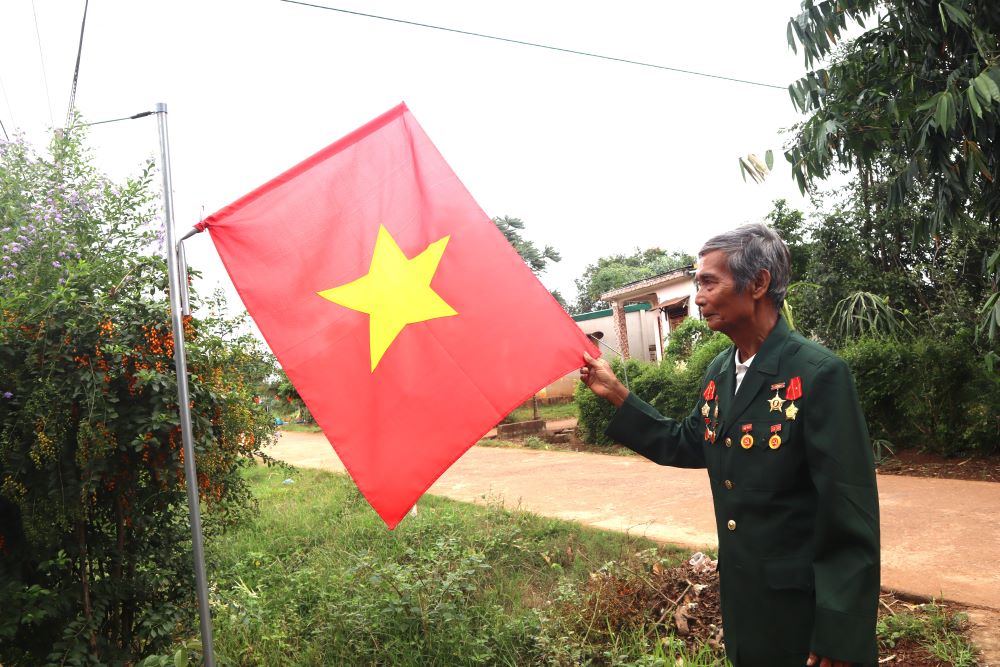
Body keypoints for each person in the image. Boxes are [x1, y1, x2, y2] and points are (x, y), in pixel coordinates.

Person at [581, 224, 880, 667]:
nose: (698, 297)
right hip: (747, 604)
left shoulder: (818, 374)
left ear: (758, 283)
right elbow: (688, 442)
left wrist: (839, 629)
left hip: (803, 613)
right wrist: (618, 395)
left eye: (708, 282)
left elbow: (848, 511)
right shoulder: (722, 371)